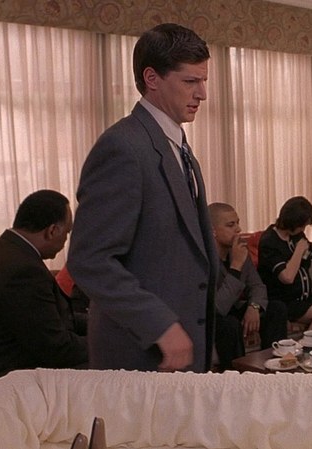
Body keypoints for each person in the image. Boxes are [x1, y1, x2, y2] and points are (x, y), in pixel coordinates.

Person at [67, 23, 217, 373]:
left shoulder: (178, 145)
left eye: (204, 81)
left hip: (184, 356)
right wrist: (160, 325)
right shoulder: (123, 147)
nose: (203, 94)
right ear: (152, 78)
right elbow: (89, 260)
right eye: (190, 81)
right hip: (140, 355)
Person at [0, 190, 87, 402]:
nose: (66, 241)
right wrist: (103, 341)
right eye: (66, 233)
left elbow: (55, 319)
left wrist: (100, 324)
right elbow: (56, 348)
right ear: (52, 231)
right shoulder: (22, 270)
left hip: (4, 382)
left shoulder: (9, 252)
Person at [208, 202, 288, 370]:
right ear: (213, 231)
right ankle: (236, 375)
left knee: (276, 308)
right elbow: (218, 307)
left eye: (237, 223)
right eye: (230, 225)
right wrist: (236, 266)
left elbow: (258, 285)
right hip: (213, 316)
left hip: (233, 307)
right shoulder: (204, 259)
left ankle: (274, 367)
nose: (238, 229)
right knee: (229, 325)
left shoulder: (238, 251)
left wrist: (254, 306)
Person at [257, 196, 312, 332]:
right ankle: (308, 344)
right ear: (292, 222)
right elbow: (287, 277)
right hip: (284, 300)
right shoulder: (269, 241)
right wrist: (299, 250)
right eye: (302, 226)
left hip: (304, 298)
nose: (303, 229)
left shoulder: (296, 235)